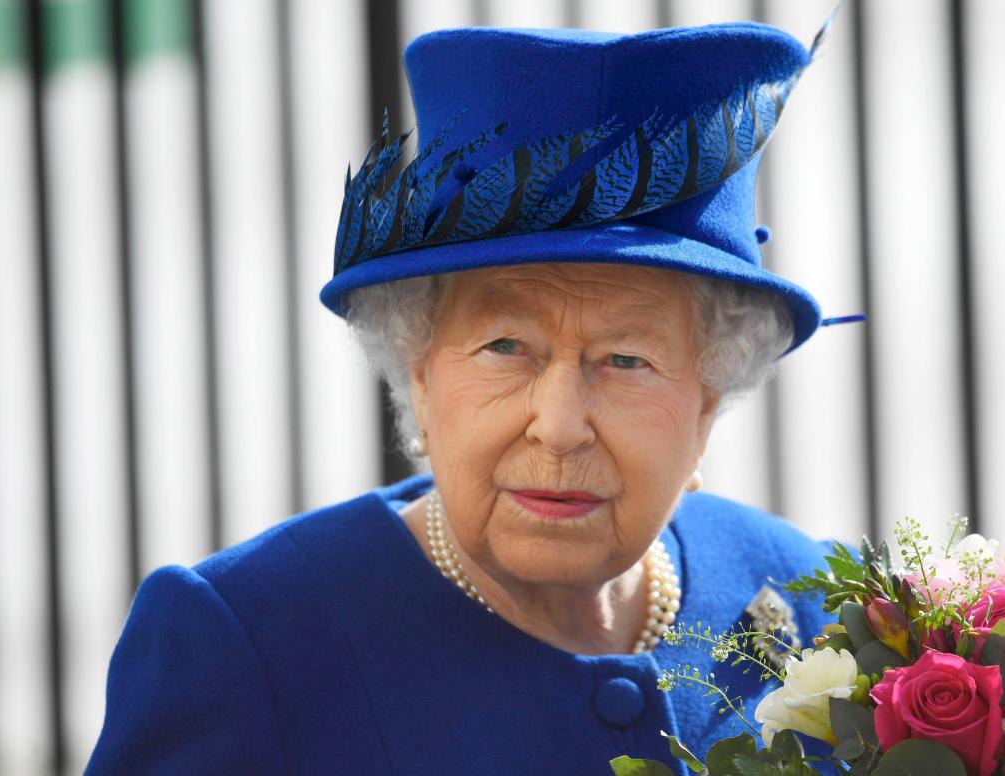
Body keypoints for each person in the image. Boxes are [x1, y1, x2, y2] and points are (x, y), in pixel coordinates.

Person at [87, 14, 860, 775]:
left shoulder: (810, 601)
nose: (558, 429)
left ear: (707, 400)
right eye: (504, 348)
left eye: (626, 360)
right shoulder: (247, 640)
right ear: (419, 372)